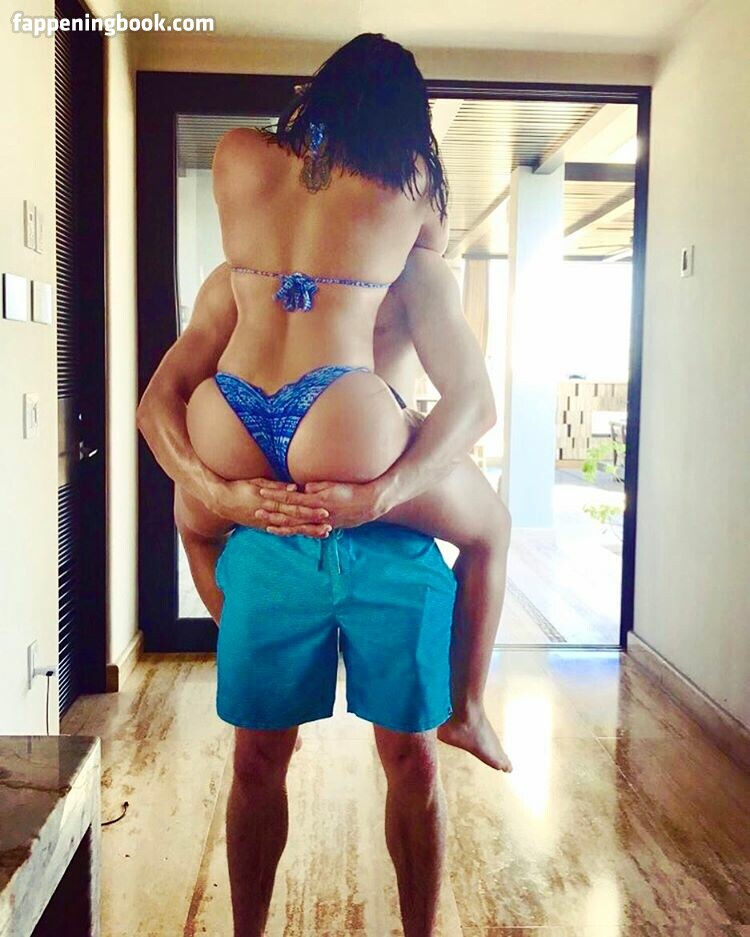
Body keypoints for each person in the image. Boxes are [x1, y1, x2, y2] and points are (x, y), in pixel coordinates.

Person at [137, 33, 510, 937]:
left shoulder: (236, 171)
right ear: (404, 123)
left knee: (194, 515)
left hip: (231, 426)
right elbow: (475, 400)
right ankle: (469, 706)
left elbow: (157, 406)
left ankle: (237, 627)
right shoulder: (407, 200)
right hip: (344, 429)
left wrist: (221, 494)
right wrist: (377, 494)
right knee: (492, 527)